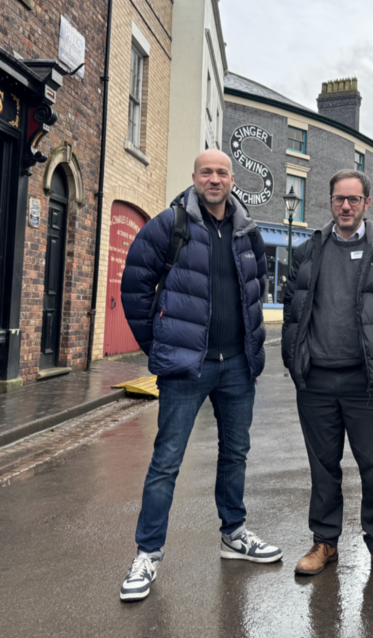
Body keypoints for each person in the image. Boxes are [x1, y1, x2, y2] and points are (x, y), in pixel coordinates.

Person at [117, 149, 281, 602]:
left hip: (237, 367)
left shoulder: (248, 232)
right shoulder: (169, 225)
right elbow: (134, 287)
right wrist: (161, 346)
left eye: (222, 172)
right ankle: (147, 553)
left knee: (236, 455)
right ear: (194, 177)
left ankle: (235, 533)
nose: (214, 179)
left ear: (232, 179)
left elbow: (256, 288)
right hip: (187, 368)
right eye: (206, 172)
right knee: (166, 461)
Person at [282, 169, 373, 582]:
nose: (345, 206)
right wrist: (295, 364)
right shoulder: (308, 251)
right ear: (330, 201)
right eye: (339, 199)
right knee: (323, 466)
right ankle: (325, 541)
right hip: (317, 382)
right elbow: (292, 313)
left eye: (353, 200)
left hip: (369, 382)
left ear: (366, 204)